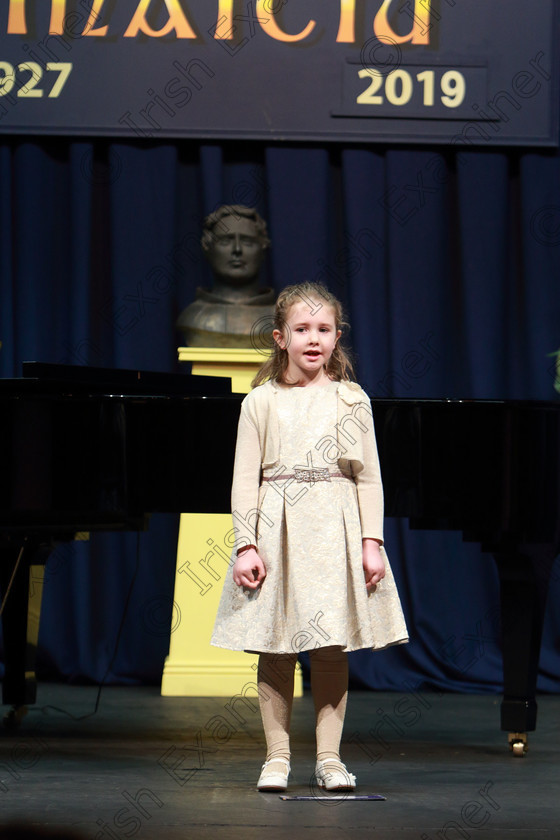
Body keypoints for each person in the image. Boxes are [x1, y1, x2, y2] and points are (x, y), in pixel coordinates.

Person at [211, 282, 408, 792]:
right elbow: (243, 480)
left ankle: (329, 758)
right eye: (302, 329)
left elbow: (369, 477)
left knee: (328, 646)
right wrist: (245, 543)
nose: (313, 339)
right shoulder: (260, 402)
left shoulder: (350, 398)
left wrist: (372, 541)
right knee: (275, 646)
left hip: (333, 529)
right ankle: (276, 758)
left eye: (323, 329)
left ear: (337, 336)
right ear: (281, 337)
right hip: (277, 529)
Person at [176, 205, 275, 347]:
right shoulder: (193, 317)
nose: (237, 249)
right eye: (225, 241)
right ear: (207, 248)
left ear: (263, 250)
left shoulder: (278, 320)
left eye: (247, 242)